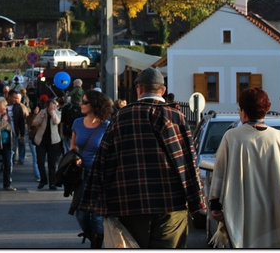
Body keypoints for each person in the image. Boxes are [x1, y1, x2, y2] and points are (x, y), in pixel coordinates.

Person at [77, 67, 206, 248]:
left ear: (138, 89)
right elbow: (187, 161)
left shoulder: (121, 117)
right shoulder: (175, 116)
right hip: (171, 202)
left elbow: (104, 161)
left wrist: (96, 201)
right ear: (163, 90)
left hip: (130, 202)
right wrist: (196, 200)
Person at [208, 87, 280, 248]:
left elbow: (219, 173)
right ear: (266, 111)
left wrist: (215, 205)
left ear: (242, 111)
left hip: (245, 212)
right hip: (277, 212)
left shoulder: (232, 138)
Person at [70, 89, 113, 248]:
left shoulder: (106, 126)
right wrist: (74, 158)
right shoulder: (77, 123)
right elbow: (73, 147)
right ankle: (92, 236)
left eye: (85, 102)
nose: (81, 104)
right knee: (81, 215)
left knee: (96, 215)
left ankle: (96, 243)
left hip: (98, 176)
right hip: (81, 175)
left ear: (95, 104)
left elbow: (111, 151)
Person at [31, 95, 62, 190]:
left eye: (55, 106)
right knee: (40, 161)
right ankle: (43, 180)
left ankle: (52, 183)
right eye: (52, 106)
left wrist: (53, 113)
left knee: (52, 163)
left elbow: (57, 121)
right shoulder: (42, 112)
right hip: (41, 141)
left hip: (53, 141)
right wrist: (41, 117)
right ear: (47, 106)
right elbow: (34, 123)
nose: (53, 107)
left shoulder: (57, 113)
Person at [6, 90, 27, 166]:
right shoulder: (4, 106)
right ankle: (7, 164)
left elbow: (21, 121)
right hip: (5, 132)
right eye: (14, 97)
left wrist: (22, 134)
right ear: (9, 97)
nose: (15, 99)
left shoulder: (18, 107)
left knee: (13, 149)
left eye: (16, 98)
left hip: (15, 131)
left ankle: (10, 164)